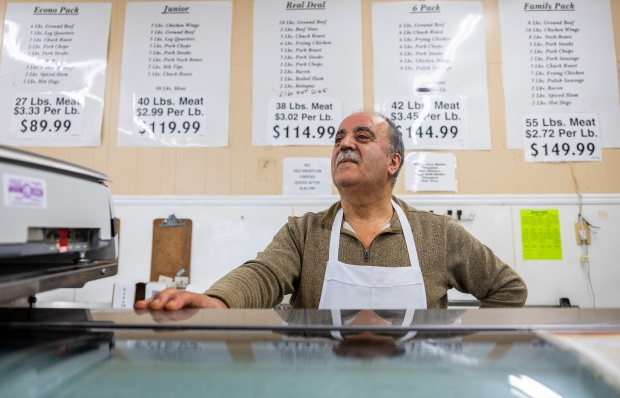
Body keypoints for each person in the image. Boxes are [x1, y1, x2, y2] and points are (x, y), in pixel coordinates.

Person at [135, 111, 527, 311]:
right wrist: (216, 301)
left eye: (362, 136)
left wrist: (460, 343)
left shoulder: (438, 234)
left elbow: (509, 290)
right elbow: (264, 275)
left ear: (393, 162)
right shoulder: (305, 232)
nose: (344, 144)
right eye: (338, 138)